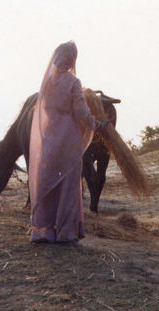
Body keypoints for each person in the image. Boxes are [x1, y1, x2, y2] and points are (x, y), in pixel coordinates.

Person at [29, 41, 104, 244]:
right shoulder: (73, 81)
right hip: (68, 137)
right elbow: (80, 111)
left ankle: (44, 230)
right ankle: (65, 232)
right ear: (72, 61)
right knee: (68, 185)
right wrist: (94, 122)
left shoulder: (46, 83)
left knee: (48, 182)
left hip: (49, 137)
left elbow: (43, 109)